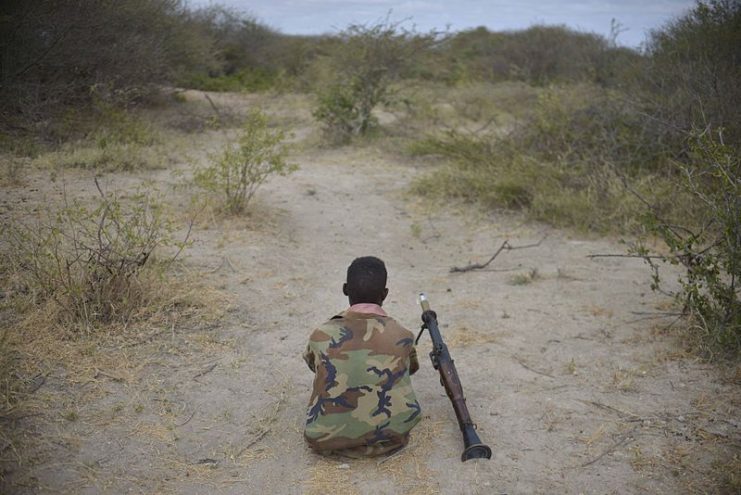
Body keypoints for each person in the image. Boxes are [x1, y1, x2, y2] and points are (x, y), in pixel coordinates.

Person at [303, 256, 421, 458]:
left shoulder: (321, 334)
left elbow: (315, 366)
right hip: (391, 438)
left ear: (345, 289)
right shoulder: (403, 335)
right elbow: (410, 369)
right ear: (385, 294)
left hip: (326, 440)